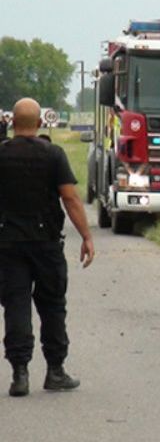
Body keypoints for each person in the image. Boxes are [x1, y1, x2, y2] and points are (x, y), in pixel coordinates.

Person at [0, 97, 95, 397]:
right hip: (46, 244)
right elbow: (70, 198)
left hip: (8, 243)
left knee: (16, 305)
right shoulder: (53, 154)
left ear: (12, 123)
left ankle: (19, 374)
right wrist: (86, 237)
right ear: (40, 123)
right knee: (53, 305)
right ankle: (55, 371)